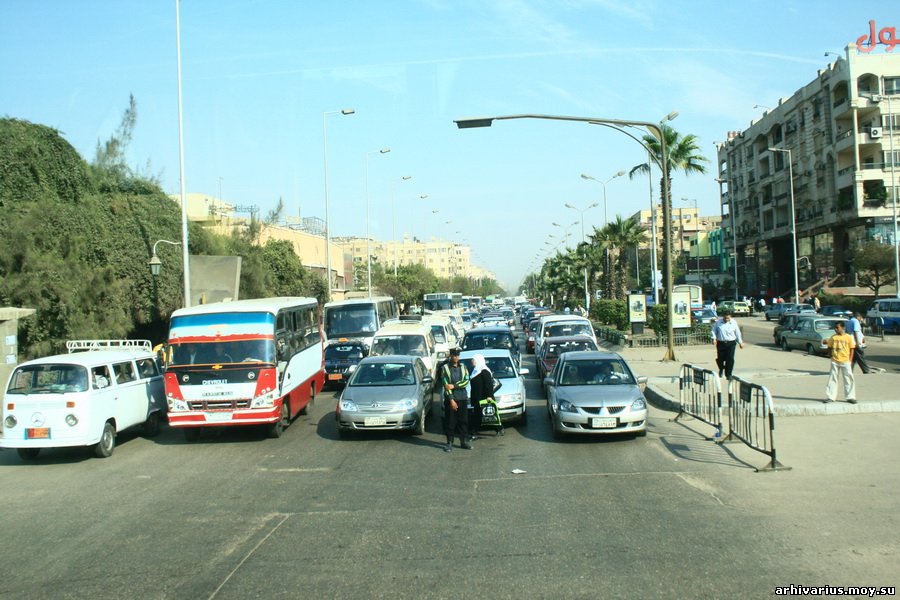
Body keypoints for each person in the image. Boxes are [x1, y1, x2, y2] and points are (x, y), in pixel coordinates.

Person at [441, 348, 471, 452]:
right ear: (451, 356)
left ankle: (464, 441)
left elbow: (466, 381)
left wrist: (454, 386)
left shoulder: (463, 367)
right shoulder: (445, 368)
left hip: (462, 397)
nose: (456, 358)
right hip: (451, 399)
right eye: (454, 356)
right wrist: (451, 400)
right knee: (450, 422)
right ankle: (449, 443)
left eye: (458, 356)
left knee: (463, 421)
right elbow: (446, 385)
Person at [823, 321, 856, 404]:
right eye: (835, 328)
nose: (836, 329)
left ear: (843, 328)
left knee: (848, 379)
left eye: (837, 327)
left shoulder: (848, 337)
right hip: (835, 361)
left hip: (845, 361)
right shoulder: (833, 337)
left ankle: (850, 397)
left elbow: (852, 349)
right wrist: (831, 356)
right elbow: (829, 347)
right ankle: (831, 397)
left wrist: (850, 360)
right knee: (833, 379)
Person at [468, 354, 497, 438]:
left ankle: (473, 432)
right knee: (479, 414)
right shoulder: (476, 370)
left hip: (483, 397)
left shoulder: (484, 370)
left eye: (473, 360)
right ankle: (474, 431)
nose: (472, 361)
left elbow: (488, 384)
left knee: (487, 414)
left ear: (478, 360)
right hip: (477, 397)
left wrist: (489, 396)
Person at [712, 310, 744, 379]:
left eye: (728, 318)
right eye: (725, 318)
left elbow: (737, 333)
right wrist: (714, 338)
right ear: (723, 316)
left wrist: (740, 342)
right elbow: (714, 331)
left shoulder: (733, 322)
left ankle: (728, 374)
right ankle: (721, 368)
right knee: (720, 358)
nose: (727, 319)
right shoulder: (718, 323)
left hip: (731, 343)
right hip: (721, 343)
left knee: (730, 359)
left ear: (730, 317)